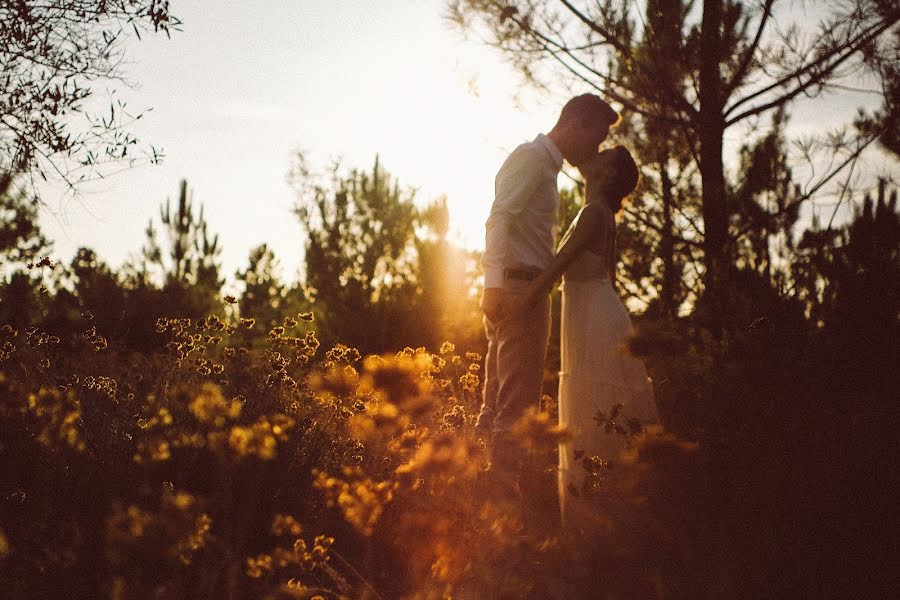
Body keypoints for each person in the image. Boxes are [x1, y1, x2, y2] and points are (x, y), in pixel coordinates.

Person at [474, 94, 621, 498]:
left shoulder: (547, 169)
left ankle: (477, 496)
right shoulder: (532, 159)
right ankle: (503, 508)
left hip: (520, 288)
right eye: (597, 136)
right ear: (576, 125)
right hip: (520, 290)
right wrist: (494, 285)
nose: (596, 148)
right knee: (516, 408)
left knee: (499, 401)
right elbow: (499, 216)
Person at [508, 145, 658, 531]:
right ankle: (607, 524)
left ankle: (594, 531)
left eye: (603, 155)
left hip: (594, 319)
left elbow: (558, 266)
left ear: (607, 173)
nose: (593, 155)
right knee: (598, 412)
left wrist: (517, 302)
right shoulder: (602, 213)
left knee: (593, 411)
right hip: (601, 313)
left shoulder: (594, 212)